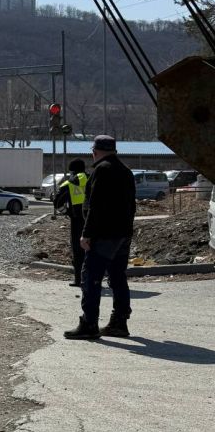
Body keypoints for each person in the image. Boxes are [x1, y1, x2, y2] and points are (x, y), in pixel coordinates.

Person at [64, 135, 136, 340]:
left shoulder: (101, 170)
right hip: (123, 234)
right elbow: (132, 205)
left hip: (104, 234)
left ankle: (89, 324)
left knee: (90, 277)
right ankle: (119, 322)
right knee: (118, 277)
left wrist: (86, 234)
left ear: (95, 152)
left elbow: (95, 206)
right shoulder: (126, 171)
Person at [53, 159, 89, 288]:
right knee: (93, 250)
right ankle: (94, 280)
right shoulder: (93, 179)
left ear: (72, 171)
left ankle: (79, 280)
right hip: (93, 220)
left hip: (77, 221)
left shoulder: (68, 184)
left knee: (78, 250)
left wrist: (67, 212)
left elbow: (57, 203)